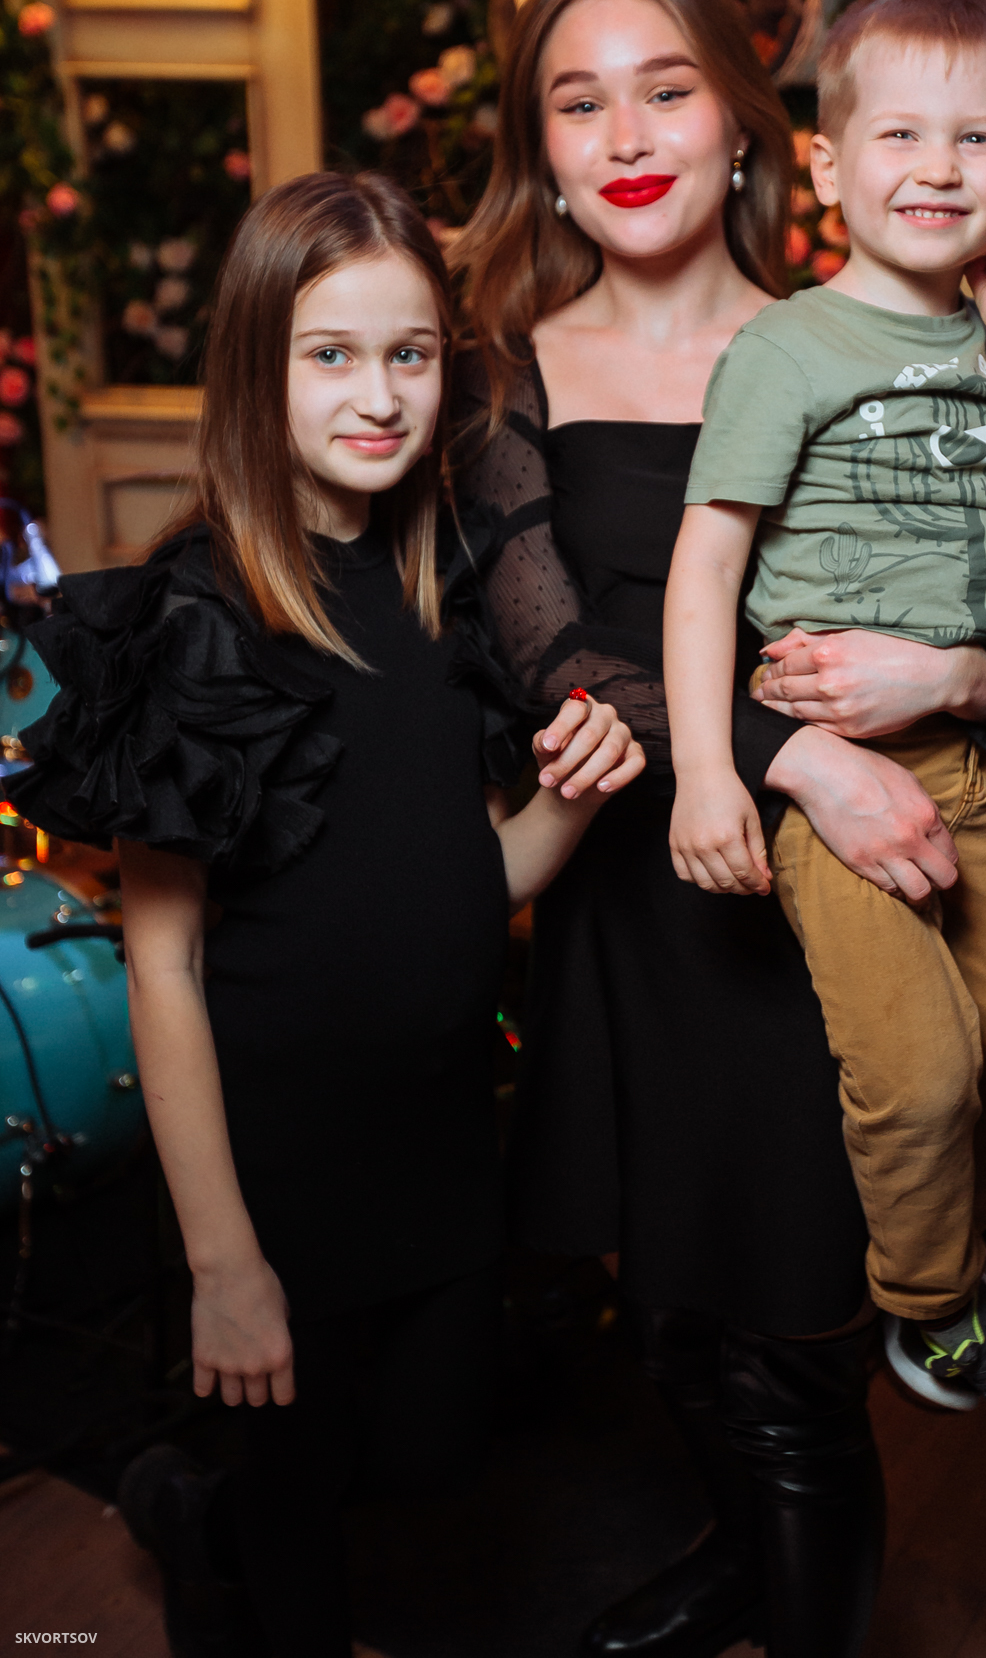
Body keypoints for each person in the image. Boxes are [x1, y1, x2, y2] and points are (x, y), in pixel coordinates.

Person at [450, 0, 986, 1657]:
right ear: (540, 149)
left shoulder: (880, 331)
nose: (626, 135)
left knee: (801, 1343)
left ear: (752, 126)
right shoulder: (502, 377)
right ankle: (737, 1565)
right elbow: (550, 651)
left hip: (821, 911)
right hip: (648, 895)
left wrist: (944, 679)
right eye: (578, 102)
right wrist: (797, 751)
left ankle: (813, 1600)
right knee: (675, 1314)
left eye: (666, 89)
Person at [4, 172, 645, 1658]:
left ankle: (200, 1514)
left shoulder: (444, 593)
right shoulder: (197, 620)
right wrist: (224, 1262)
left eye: (409, 354)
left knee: (429, 1456)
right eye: (331, 354)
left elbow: (478, 878)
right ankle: (204, 1523)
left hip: (439, 1149)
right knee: (296, 1521)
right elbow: (163, 969)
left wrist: (578, 796)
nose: (379, 395)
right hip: (273, 1179)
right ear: (257, 365)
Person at [665, 0, 986, 1472]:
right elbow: (704, 569)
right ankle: (933, 1308)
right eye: (902, 136)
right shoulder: (789, 348)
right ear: (825, 165)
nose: (938, 167)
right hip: (842, 780)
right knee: (922, 1076)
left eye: (977, 139)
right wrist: (707, 777)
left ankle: (949, 1260)